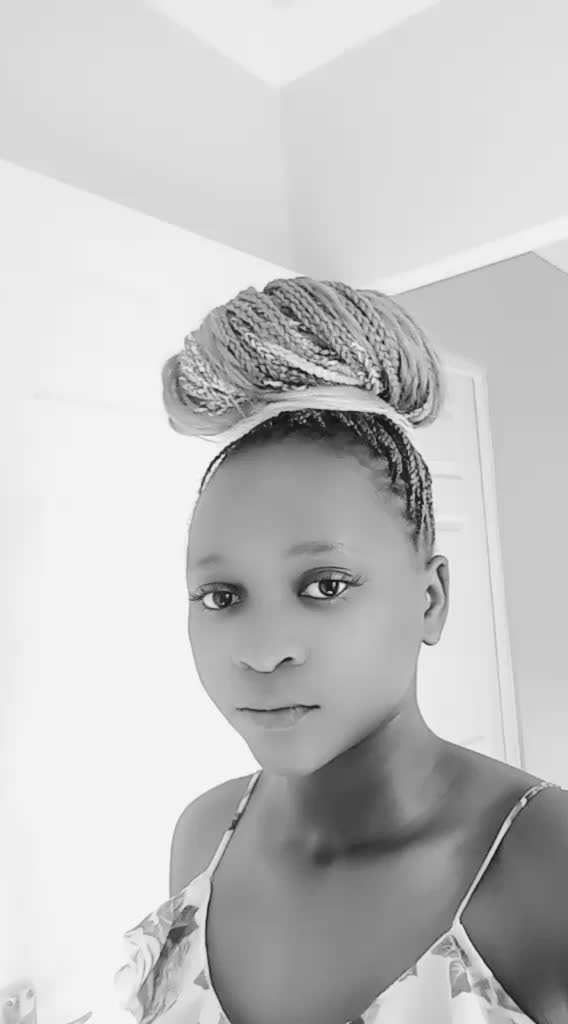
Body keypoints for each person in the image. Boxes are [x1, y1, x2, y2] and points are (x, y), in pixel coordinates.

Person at [113, 278, 568, 1023]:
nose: (263, 652)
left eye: (325, 585)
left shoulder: (550, 865)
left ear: (431, 600)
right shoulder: (201, 840)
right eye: (221, 596)